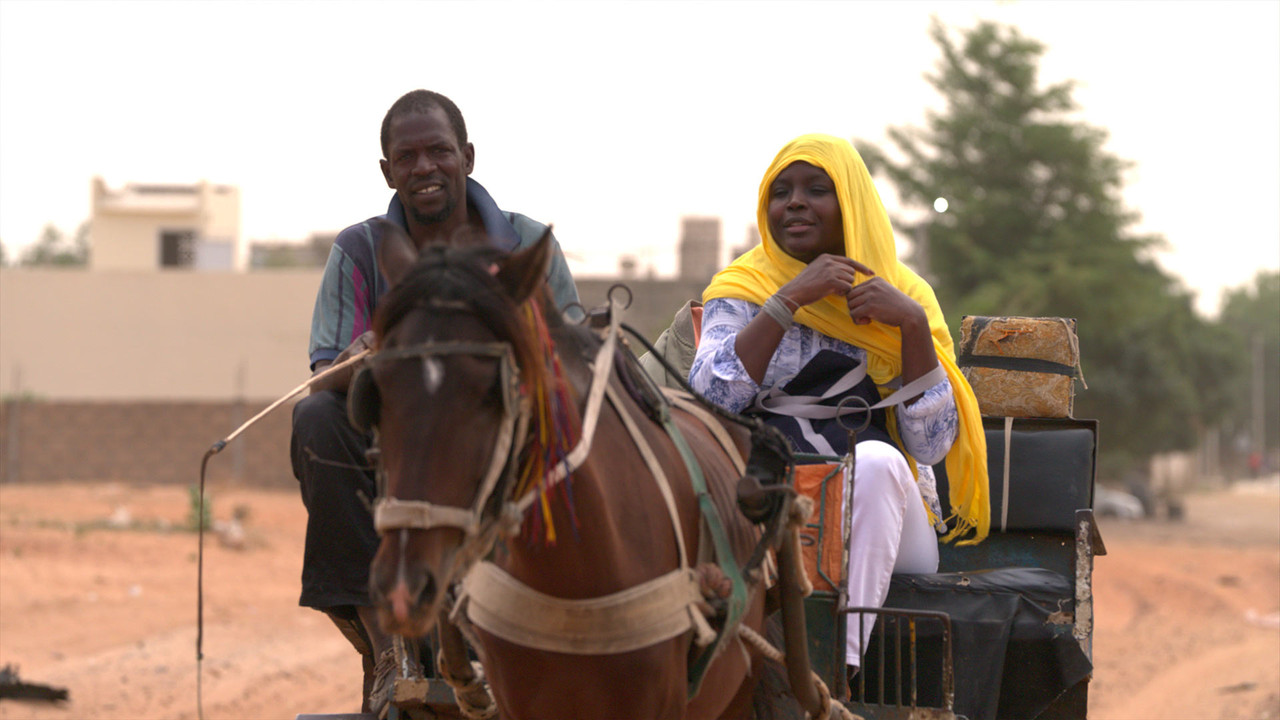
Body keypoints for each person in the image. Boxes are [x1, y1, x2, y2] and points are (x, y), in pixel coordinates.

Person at [290, 89, 580, 713]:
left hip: (502, 435)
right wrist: (374, 351)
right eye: (407, 156)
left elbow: (575, 361)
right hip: (397, 438)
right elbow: (323, 377)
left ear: (467, 157)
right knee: (316, 419)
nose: (424, 167)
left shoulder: (525, 245)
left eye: (438, 151)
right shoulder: (360, 250)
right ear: (387, 171)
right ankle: (387, 648)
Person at [687, 134, 989, 676]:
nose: (795, 202)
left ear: (850, 201)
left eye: (816, 189)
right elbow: (710, 395)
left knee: (876, 462)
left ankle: (835, 671)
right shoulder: (741, 288)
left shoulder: (907, 296)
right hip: (768, 498)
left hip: (886, 517)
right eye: (781, 191)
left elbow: (931, 443)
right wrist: (788, 300)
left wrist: (913, 327)